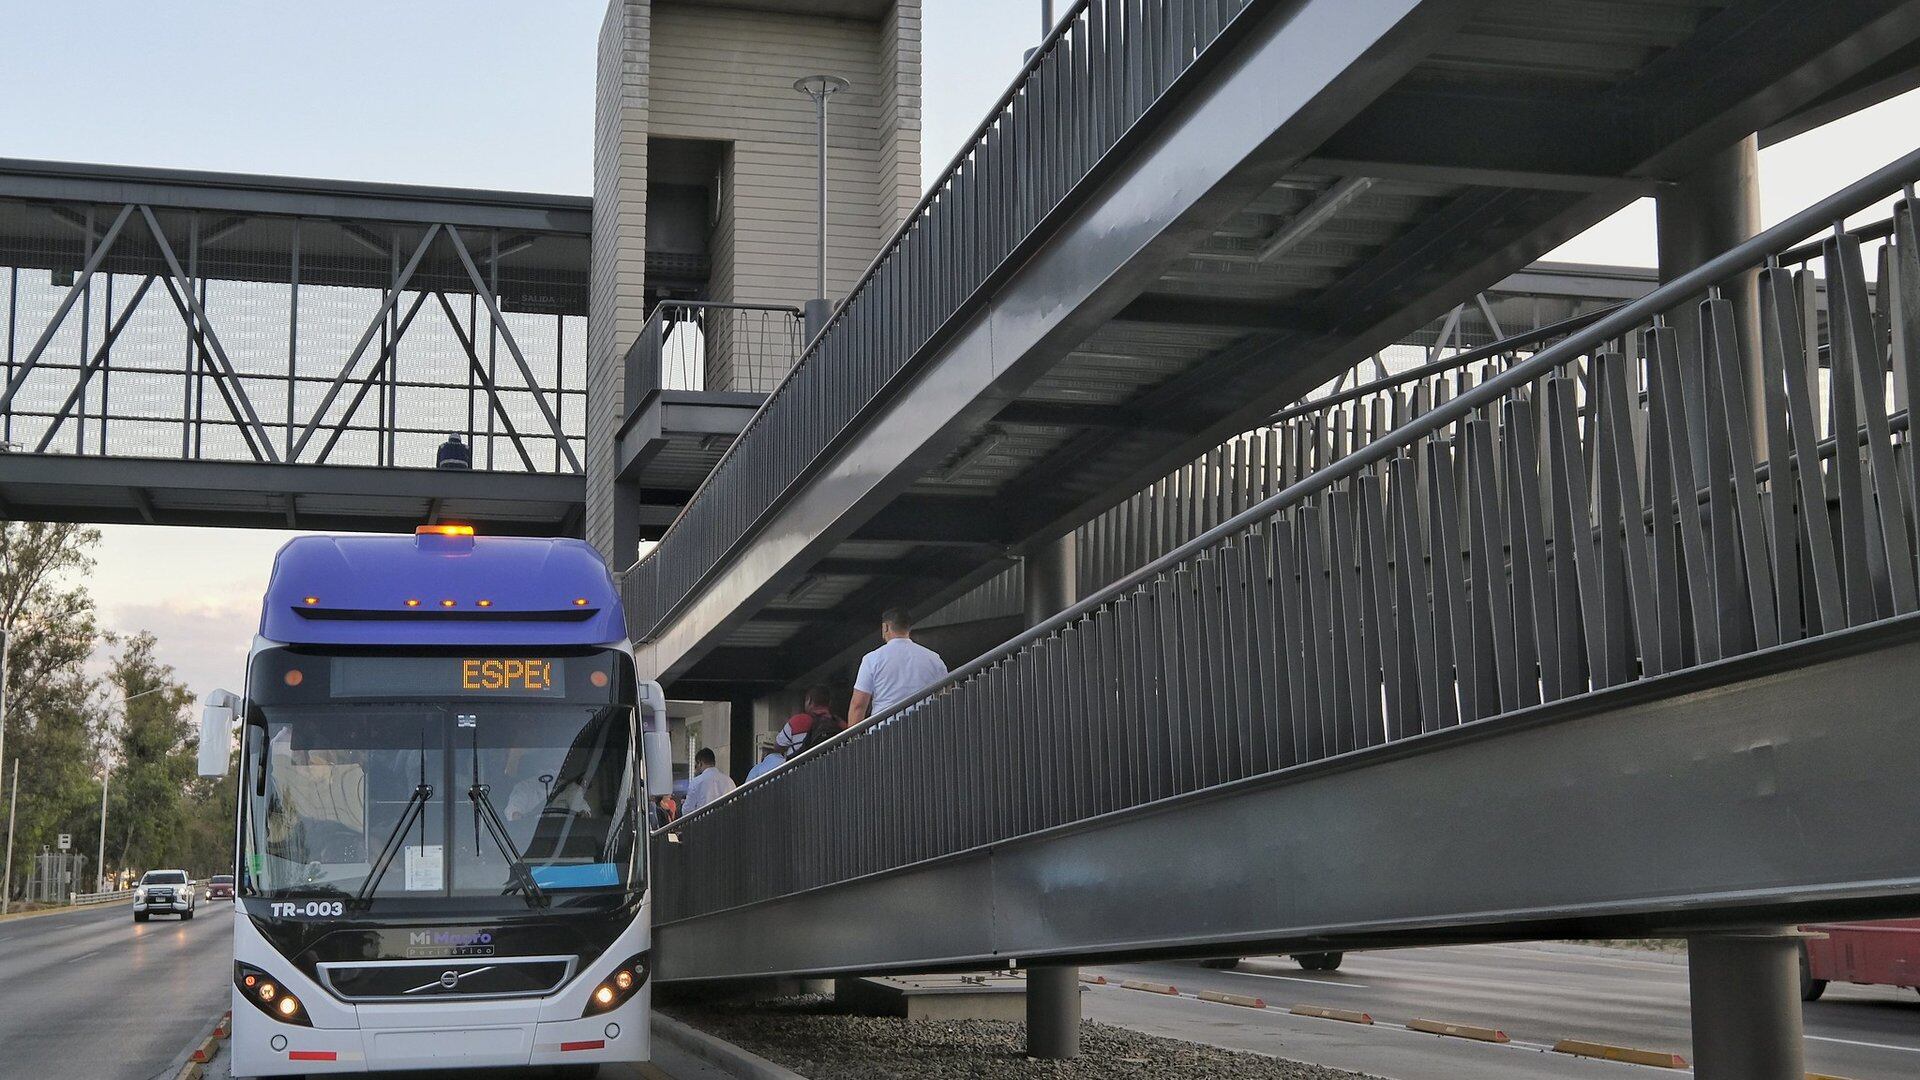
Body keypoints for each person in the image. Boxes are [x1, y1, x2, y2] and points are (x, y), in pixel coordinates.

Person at [848, 608, 949, 726]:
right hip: (925, 728)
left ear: (885, 627)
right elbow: (944, 697)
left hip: (885, 730)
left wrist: (853, 741)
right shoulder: (934, 658)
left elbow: (858, 705)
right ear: (909, 628)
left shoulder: (872, 659)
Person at [775, 685, 842, 760]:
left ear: (809, 700)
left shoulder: (798, 721)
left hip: (803, 769)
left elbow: (778, 746)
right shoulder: (839, 723)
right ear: (829, 703)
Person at [681, 746, 736, 813]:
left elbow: (687, 810)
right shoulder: (729, 781)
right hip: (726, 821)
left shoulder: (696, 782)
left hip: (703, 822)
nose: (696, 768)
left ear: (700, 763)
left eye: (696, 765)